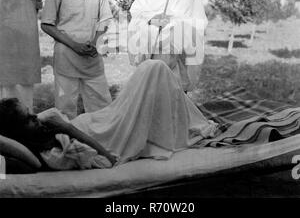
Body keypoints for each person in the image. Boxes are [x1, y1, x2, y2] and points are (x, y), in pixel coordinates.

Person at [0, 60, 218, 172]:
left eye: (31, 113)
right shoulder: (53, 154)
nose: (35, 117)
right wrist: (66, 128)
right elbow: (105, 158)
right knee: (154, 69)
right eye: (29, 119)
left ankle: (183, 117)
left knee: (154, 73)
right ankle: (183, 120)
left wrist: (55, 123)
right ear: (18, 132)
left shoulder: (43, 129)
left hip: (103, 120)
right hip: (112, 133)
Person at [41, 0, 112, 120]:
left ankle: (103, 145)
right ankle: (69, 146)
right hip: (66, 58)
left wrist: (96, 42)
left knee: (103, 109)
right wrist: (74, 45)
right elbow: (47, 24)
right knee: (65, 111)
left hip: (92, 57)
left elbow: (105, 19)